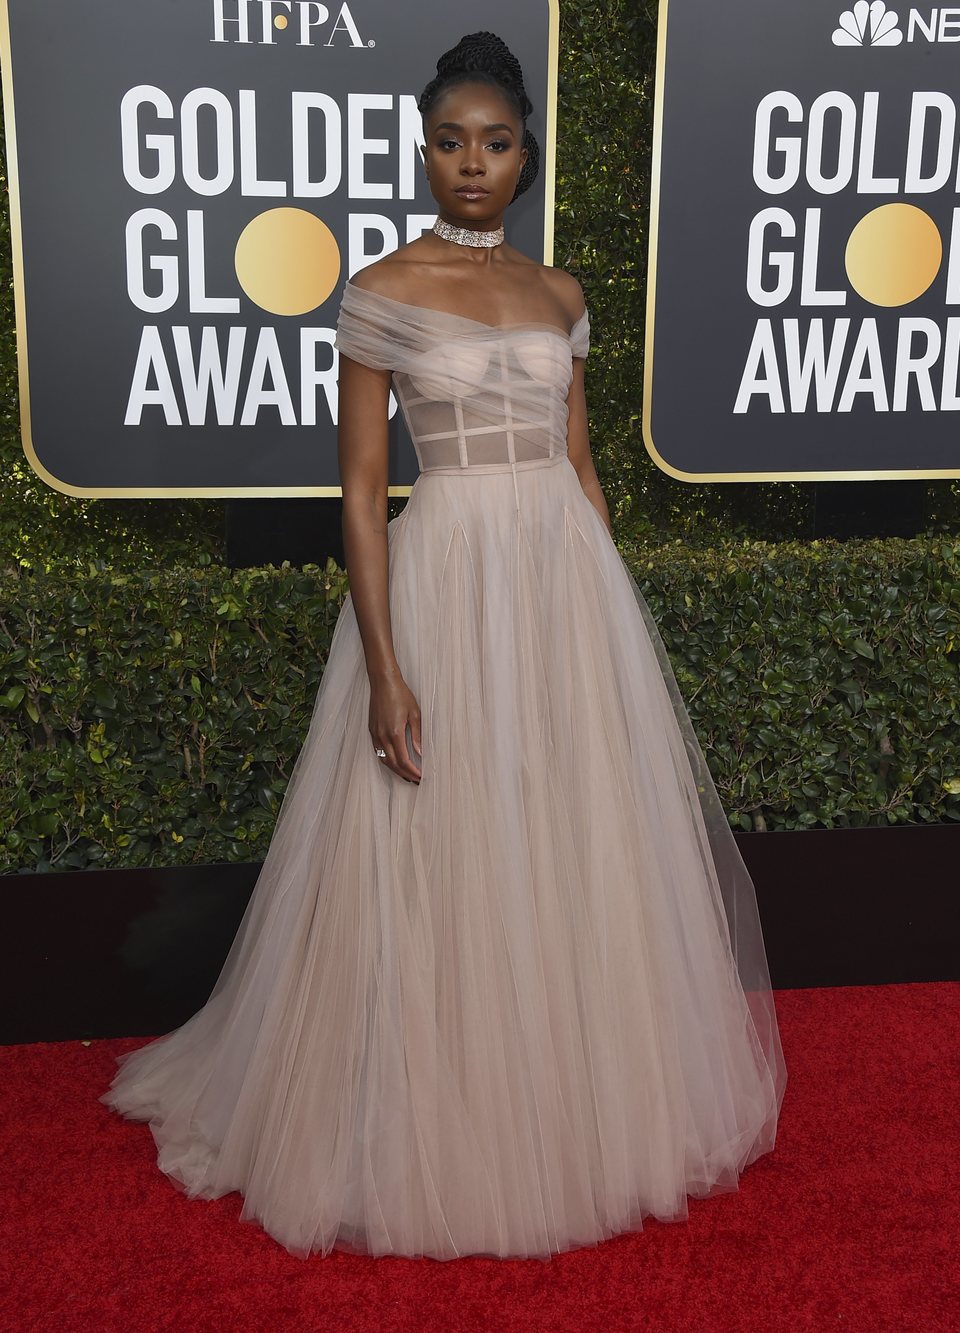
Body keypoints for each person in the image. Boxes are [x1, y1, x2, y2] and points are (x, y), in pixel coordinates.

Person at [101, 31, 787, 1262]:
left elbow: (580, 464)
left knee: (566, 836)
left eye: (496, 141)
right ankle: (436, 1111)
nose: (471, 162)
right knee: (439, 842)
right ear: (422, 151)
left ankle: (570, 1093)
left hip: (561, 582)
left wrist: (608, 619)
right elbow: (363, 492)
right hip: (447, 573)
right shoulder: (381, 290)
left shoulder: (561, 295)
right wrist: (385, 662)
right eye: (449, 141)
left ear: (526, 155)